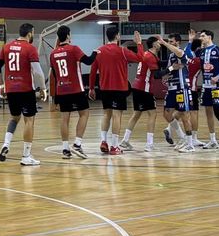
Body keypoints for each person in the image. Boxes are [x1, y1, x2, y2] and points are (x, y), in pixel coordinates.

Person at [0, 22, 45, 167]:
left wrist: (1, 85)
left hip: (11, 89)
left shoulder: (6, 47)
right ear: (29, 34)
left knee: (14, 118)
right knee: (29, 121)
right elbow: (37, 72)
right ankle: (26, 156)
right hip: (26, 89)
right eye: (33, 33)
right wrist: (43, 88)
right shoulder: (30, 48)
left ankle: (6, 144)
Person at [89, 24, 135, 155]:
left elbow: (93, 71)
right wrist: (138, 44)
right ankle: (114, 146)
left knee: (106, 114)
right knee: (117, 116)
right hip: (119, 88)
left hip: (104, 88)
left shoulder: (98, 51)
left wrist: (91, 88)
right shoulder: (122, 51)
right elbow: (140, 58)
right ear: (117, 36)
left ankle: (103, 141)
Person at [48, 24, 91, 159]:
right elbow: (88, 61)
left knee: (64, 118)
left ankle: (65, 149)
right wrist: (96, 52)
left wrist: (55, 95)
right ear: (68, 35)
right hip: (76, 88)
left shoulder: (53, 53)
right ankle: (77, 144)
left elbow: (54, 75)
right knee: (84, 114)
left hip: (61, 89)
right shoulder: (74, 49)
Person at [119, 34, 162, 152]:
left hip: (136, 87)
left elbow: (159, 64)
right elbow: (157, 74)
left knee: (136, 114)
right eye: (158, 42)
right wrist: (172, 68)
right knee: (152, 114)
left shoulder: (148, 54)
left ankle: (125, 141)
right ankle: (149, 144)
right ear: (154, 44)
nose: (160, 43)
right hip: (144, 88)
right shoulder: (150, 57)